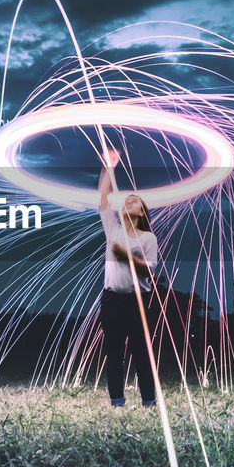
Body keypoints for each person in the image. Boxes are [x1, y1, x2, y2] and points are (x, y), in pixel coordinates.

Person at [97, 148, 160, 408]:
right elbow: (102, 198)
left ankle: (148, 402)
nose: (130, 200)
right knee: (114, 354)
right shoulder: (113, 229)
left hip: (138, 302)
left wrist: (125, 257)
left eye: (135, 201)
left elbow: (149, 271)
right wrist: (108, 168)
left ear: (142, 212)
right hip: (111, 300)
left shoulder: (148, 238)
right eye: (127, 200)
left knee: (142, 354)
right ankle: (117, 402)